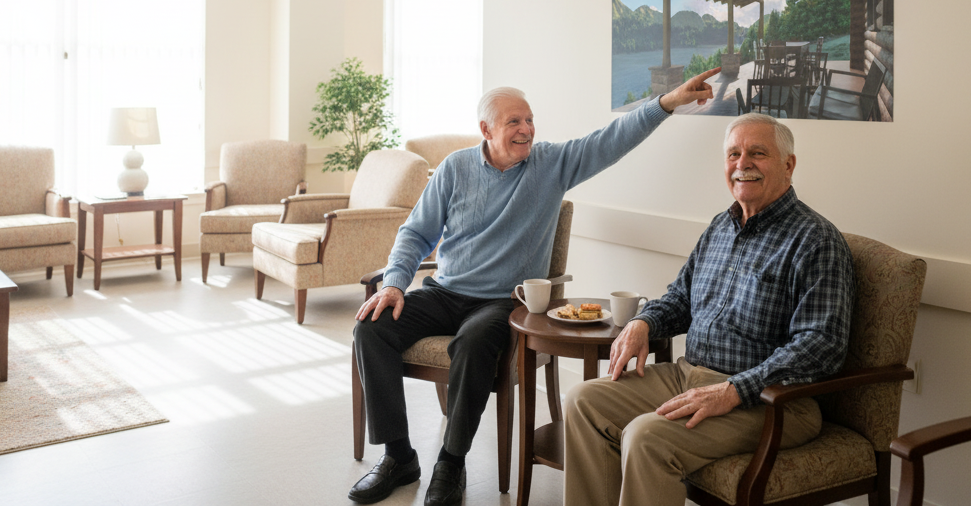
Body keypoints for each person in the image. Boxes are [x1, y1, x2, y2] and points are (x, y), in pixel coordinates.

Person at [349, 69, 720, 506]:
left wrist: (667, 102)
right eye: (513, 122)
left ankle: (451, 462)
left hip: (503, 301)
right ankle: (399, 456)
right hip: (445, 291)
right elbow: (415, 234)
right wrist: (394, 284)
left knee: (471, 344)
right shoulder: (454, 168)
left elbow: (612, 138)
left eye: (529, 120)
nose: (526, 130)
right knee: (371, 328)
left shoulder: (550, 165)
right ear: (486, 130)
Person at [562, 112, 855, 506]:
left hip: (771, 401)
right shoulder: (721, 226)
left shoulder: (815, 240)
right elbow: (680, 297)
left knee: (646, 437)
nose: (742, 163)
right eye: (733, 154)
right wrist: (642, 322)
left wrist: (735, 389)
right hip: (689, 376)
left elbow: (822, 345)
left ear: (789, 165)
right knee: (582, 402)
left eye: (758, 153)